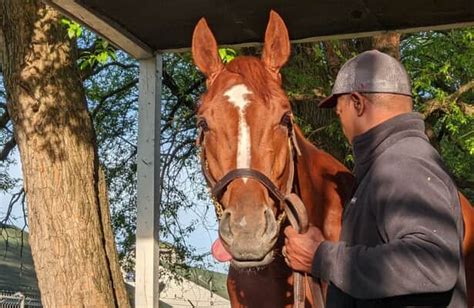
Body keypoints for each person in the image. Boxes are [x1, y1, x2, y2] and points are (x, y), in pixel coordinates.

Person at [283, 50, 466, 307]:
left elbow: (431, 262)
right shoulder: (392, 163)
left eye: (339, 112)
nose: (341, 123)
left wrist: (322, 257)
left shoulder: (403, 162)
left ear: (357, 104)